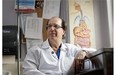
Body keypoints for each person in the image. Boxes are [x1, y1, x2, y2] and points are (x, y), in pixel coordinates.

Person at [23, 16, 94, 75]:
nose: (51, 29)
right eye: (49, 26)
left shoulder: (70, 49)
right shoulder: (35, 51)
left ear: (63, 31)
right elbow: (28, 71)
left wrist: (83, 52)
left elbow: (94, 51)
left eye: (56, 26)